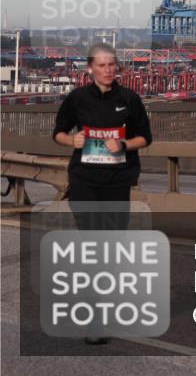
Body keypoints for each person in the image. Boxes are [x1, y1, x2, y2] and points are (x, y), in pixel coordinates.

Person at [52, 42, 152, 346]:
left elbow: (146, 137)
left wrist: (123, 145)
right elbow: (57, 132)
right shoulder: (77, 98)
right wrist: (72, 140)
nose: (108, 70)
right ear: (90, 69)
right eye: (102, 65)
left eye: (112, 65)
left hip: (118, 180)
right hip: (84, 179)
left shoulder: (129, 99)